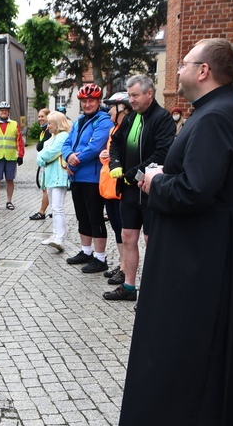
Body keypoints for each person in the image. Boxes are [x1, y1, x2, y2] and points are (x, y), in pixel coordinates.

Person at [117, 38, 233, 426]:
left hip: (202, 253)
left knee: (185, 340)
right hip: (207, 245)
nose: (175, 72)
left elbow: (196, 191)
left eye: (183, 64)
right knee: (195, 337)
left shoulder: (216, 117)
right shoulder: (219, 111)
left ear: (204, 71)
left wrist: (155, 182)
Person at [104, 75, 175, 299]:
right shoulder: (131, 117)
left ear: (149, 94)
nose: (131, 100)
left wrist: (133, 174)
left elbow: (163, 153)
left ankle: (153, 292)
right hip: (129, 189)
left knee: (150, 241)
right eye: (130, 95)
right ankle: (128, 286)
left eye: (135, 95)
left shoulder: (162, 118)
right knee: (127, 237)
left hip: (150, 188)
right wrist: (115, 163)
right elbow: (115, 142)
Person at [62, 85, 114, 273]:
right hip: (77, 178)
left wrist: (73, 163)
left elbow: (94, 148)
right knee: (81, 215)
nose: (87, 104)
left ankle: (100, 258)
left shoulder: (104, 121)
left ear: (99, 101)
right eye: (84, 101)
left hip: (92, 177)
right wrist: (68, 156)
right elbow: (67, 142)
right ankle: (86, 251)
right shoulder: (78, 121)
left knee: (95, 217)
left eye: (91, 100)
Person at [99, 92, 133, 286]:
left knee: (123, 231)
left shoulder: (126, 131)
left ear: (122, 108)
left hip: (119, 189)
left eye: (112, 107)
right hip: (108, 188)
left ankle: (125, 268)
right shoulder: (115, 129)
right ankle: (122, 265)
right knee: (116, 229)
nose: (109, 110)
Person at [36, 111, 71, 251]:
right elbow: (41, 154)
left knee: (58, 207)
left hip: (58, 176)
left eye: (50, 123)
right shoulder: (52, 137)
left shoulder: (63, 136)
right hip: (50, 176)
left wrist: (41, 157)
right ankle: (55, 234)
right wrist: (41, 157)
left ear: (57, 124)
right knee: (54, 208)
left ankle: (60, 237)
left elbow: (49, 154)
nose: (48, 126)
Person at [30, 108, 52, 221]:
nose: (40, 119)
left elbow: (40, 146)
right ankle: (48, 210)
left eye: (42, 116)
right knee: (47, 189)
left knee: (47, 189)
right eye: (39, 116)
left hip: (51, 164)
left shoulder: (49, 130)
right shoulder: (44, 130)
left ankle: (42, 212)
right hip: (46, 163)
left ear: (48, 117)